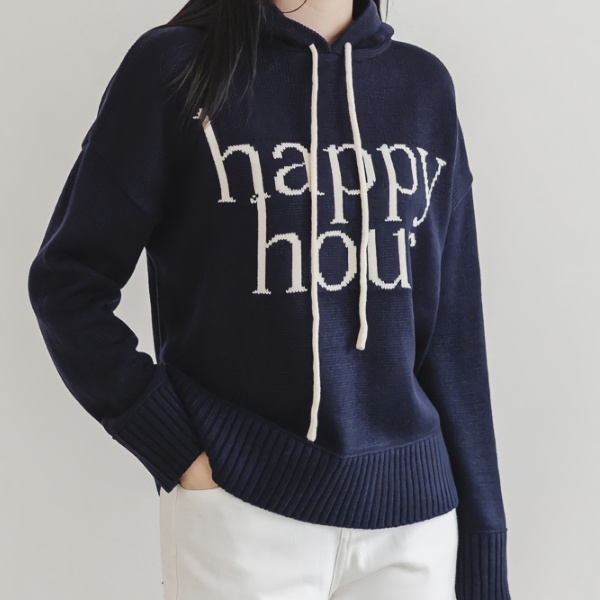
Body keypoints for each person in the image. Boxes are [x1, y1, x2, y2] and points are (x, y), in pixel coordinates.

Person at [27, 0, 511, 598]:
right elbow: (68, 282)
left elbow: (455, 341)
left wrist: (485, 541)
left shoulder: (423, 86)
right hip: (241, 511)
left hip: (414, 527)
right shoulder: (176, 68)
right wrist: (176, 448)